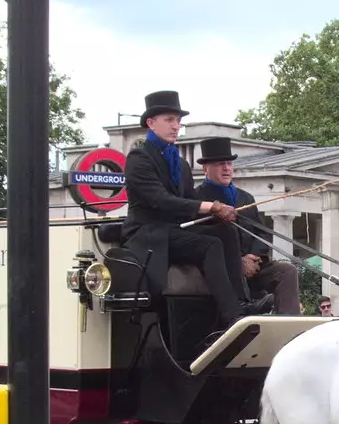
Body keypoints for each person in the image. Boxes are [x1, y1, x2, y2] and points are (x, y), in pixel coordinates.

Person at [122, 90, 273, 328]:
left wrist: (220, 215)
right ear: (151, 123)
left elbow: (189, 203)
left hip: (175, 231)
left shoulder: (180, 163)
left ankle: (243, 302)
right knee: (210, 244)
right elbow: (161, 200)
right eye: (169, 120)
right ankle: (232, 316)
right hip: (149, 234)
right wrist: (211, 206)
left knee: (225, 231)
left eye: (178, 121)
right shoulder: (138, 159)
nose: (176, 126)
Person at [192, 137, 300, 315]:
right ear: (205, 168)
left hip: (253, 267)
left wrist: (253, 256)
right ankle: (243, 310)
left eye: (229, 163)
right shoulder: (198, 199)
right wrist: (238, 261)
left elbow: (262, 233)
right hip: (223, 271)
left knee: (287, 271)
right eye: (220, 164)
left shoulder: (246, 198)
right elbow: (201, 235)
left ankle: (289, 326)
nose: (227, 168)